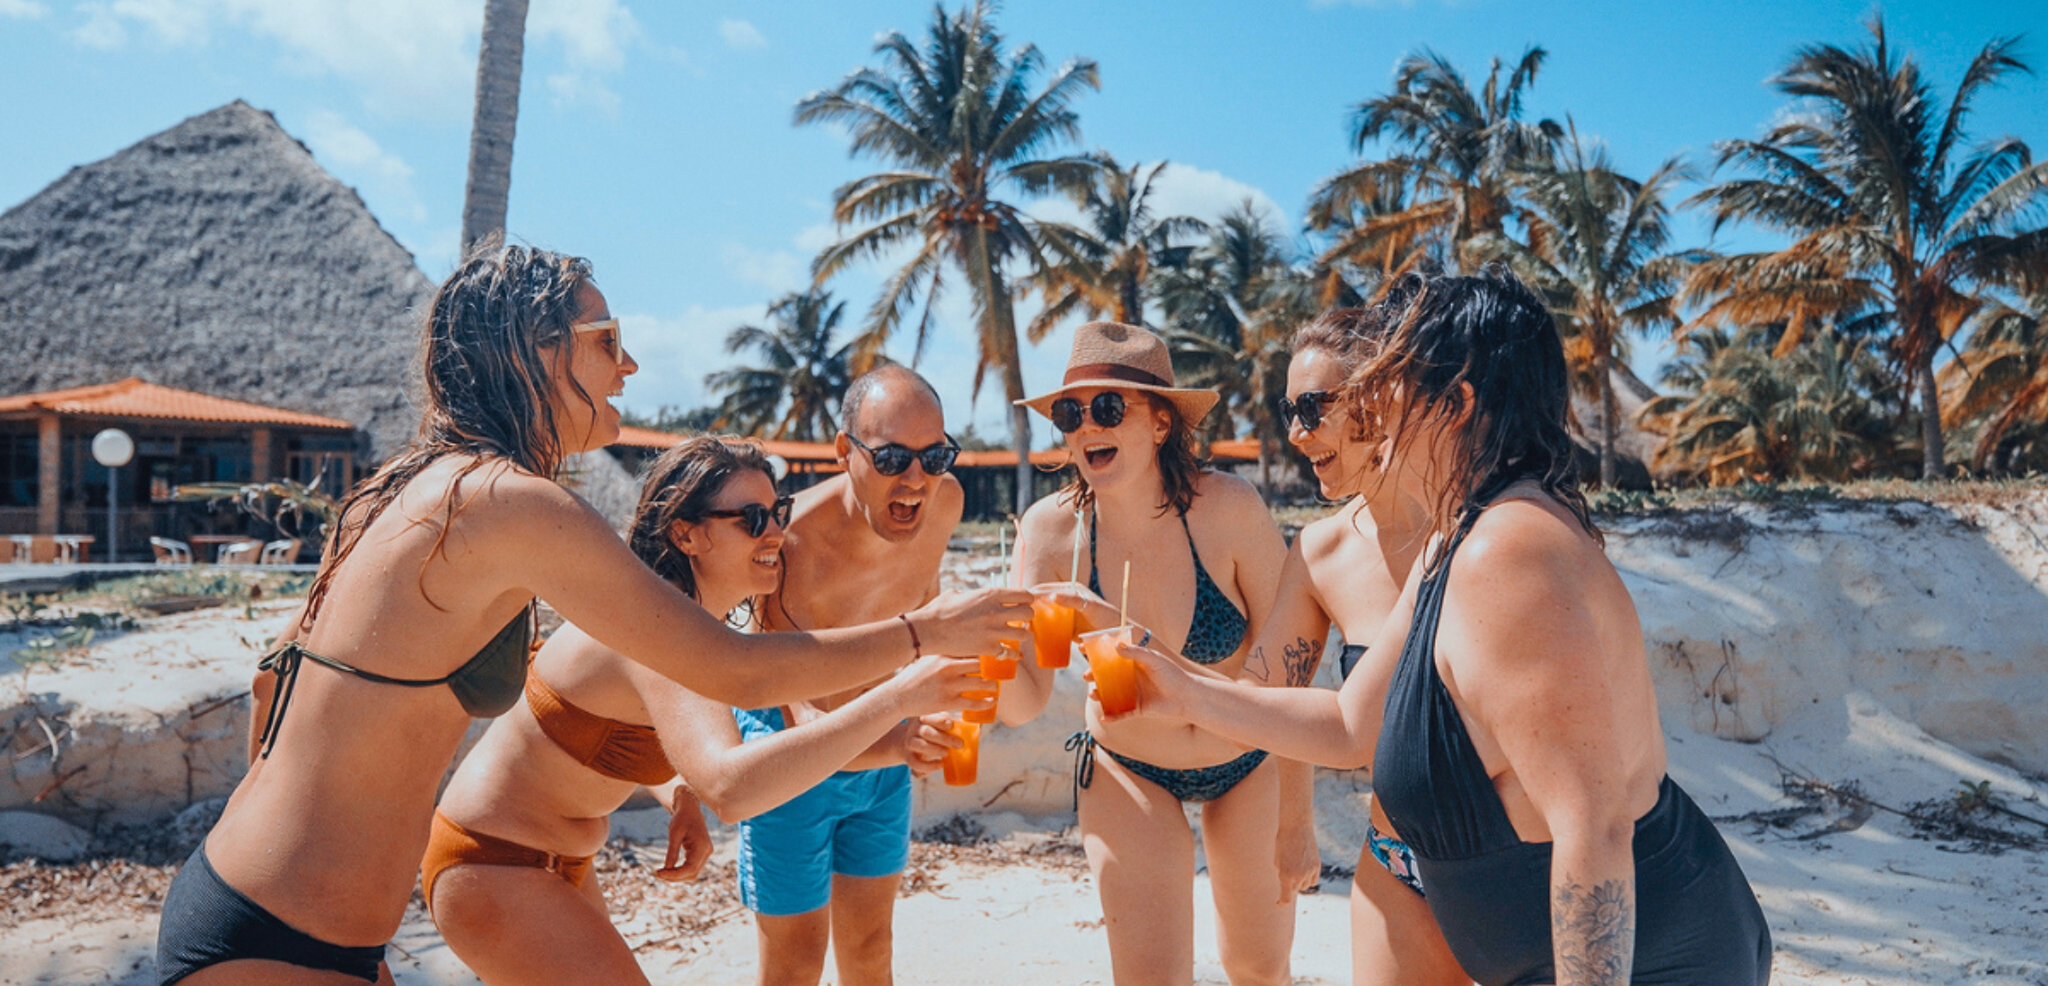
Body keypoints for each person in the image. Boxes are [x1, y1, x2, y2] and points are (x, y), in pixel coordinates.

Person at [154, 244, 1028, 986]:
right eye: (606, 340)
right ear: (535, 354)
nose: (630, 365)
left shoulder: (417, 487)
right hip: (285, 938)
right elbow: (732, 669)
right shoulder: (511, 501)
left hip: (277, 912)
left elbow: (273, 682)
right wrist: (925, 641)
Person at [1112, 269, 1772, 986]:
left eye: (1386, 383)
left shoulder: (1509, 552)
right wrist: (1178, 687)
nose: (1365, 404)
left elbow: (1596, 824)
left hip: (1653, 964)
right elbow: (1345, 724)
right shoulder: (1459, 536)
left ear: (1453, 405)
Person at [426, 436, 993, 986]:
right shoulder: (660, 625)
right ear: (686, 534)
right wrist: (899, 692)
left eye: (779, 512)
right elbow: (735, 787)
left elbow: (677, 737)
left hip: (559, 864)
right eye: (751, 519)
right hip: (494, 861)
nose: (776, 532)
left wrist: (678, 791)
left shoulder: (699, 632)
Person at [1001, 321, 1296, 986]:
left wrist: (1299, 816)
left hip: (1245, 758)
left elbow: (1289, 671)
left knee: (1259, 969)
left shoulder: (1229, 510)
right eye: (1069, 414)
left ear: (1162, 424)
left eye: (1107, 409)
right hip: (1128, 767)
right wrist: (985, 659)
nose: (1084, 427)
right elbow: (1028, 698)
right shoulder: (1049, 532)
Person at [1260, 304, 1470, 986]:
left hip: (1517, 861)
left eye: (1314, 407)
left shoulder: (1484, 528)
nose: (1297, 432)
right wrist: (1295, 824)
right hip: (1395, 863)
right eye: (1288, 409)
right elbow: (1271, 694)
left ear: (1380, 397)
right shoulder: (1320, 552)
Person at [745, 364, 971, 986]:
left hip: (884, 755)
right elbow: (796, 707)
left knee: (872, 949)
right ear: (846, 452)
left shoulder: (945, 502)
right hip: (794, 759)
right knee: (793, 964)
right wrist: (897, 738)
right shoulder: (789, 542)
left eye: (936, 455)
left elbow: (926, 607)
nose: (917, 479)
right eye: (894, 456)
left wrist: (932, 709)